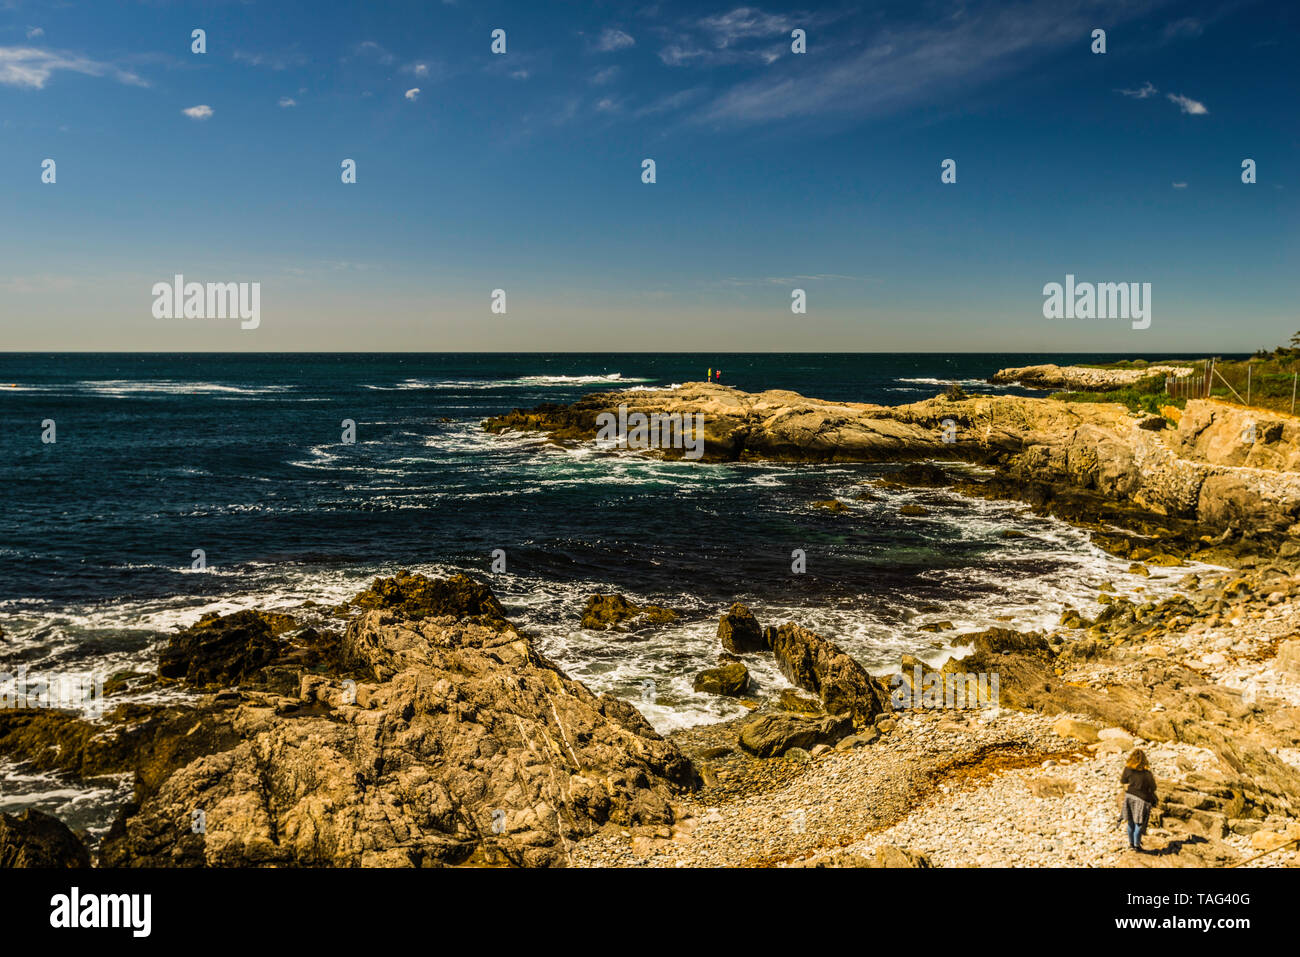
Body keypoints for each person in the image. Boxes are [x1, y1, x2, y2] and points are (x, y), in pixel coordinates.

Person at [1120, 749, 1157, 852]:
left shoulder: (1127, 769)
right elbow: (1153, 788)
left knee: (1130, 822)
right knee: (1139, 824)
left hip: (1129, 797)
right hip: (1142, 799)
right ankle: (1137, 846)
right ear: (1144, 760)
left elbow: (1123, 781)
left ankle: (1131, 844)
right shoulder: (1147, 774)